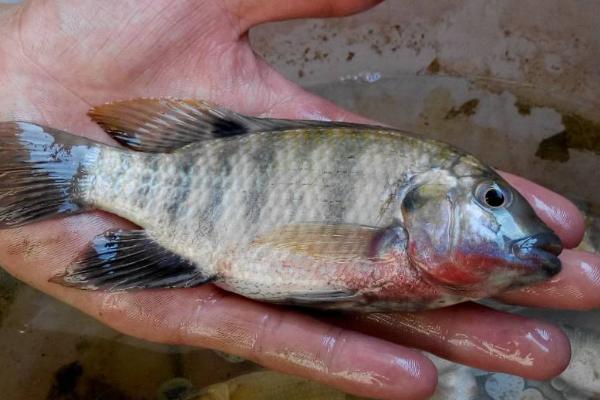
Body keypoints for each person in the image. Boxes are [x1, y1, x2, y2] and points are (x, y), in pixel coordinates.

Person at [0, 1, 597, 399]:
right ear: (423, 203)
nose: (516, 224)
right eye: (491, 198)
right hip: (189, 231)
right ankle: (68, 171)